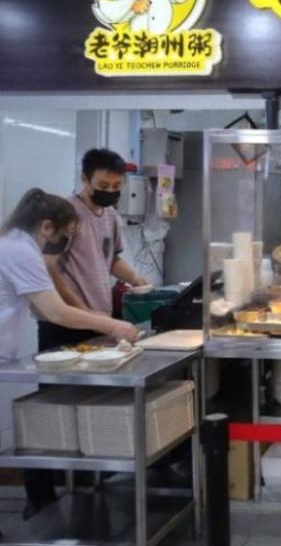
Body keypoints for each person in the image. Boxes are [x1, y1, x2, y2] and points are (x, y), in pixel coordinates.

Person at [0, 189, 138, 519]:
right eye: (65, 235)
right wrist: (113, 325)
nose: (64, 243)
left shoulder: (13, 243)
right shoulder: (21, 251)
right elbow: (56, 312)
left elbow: (43, 311)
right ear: (46, 227)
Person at [42, 149, 149, 349]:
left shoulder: (110, 216)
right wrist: (83, 311)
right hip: (66, 324)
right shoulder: (66, 213)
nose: (110, 191)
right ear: (85, 179)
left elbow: (111, 260)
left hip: (98, 322)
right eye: (103, 185)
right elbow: (48, 266)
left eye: (116, 186)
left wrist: (135, 278)